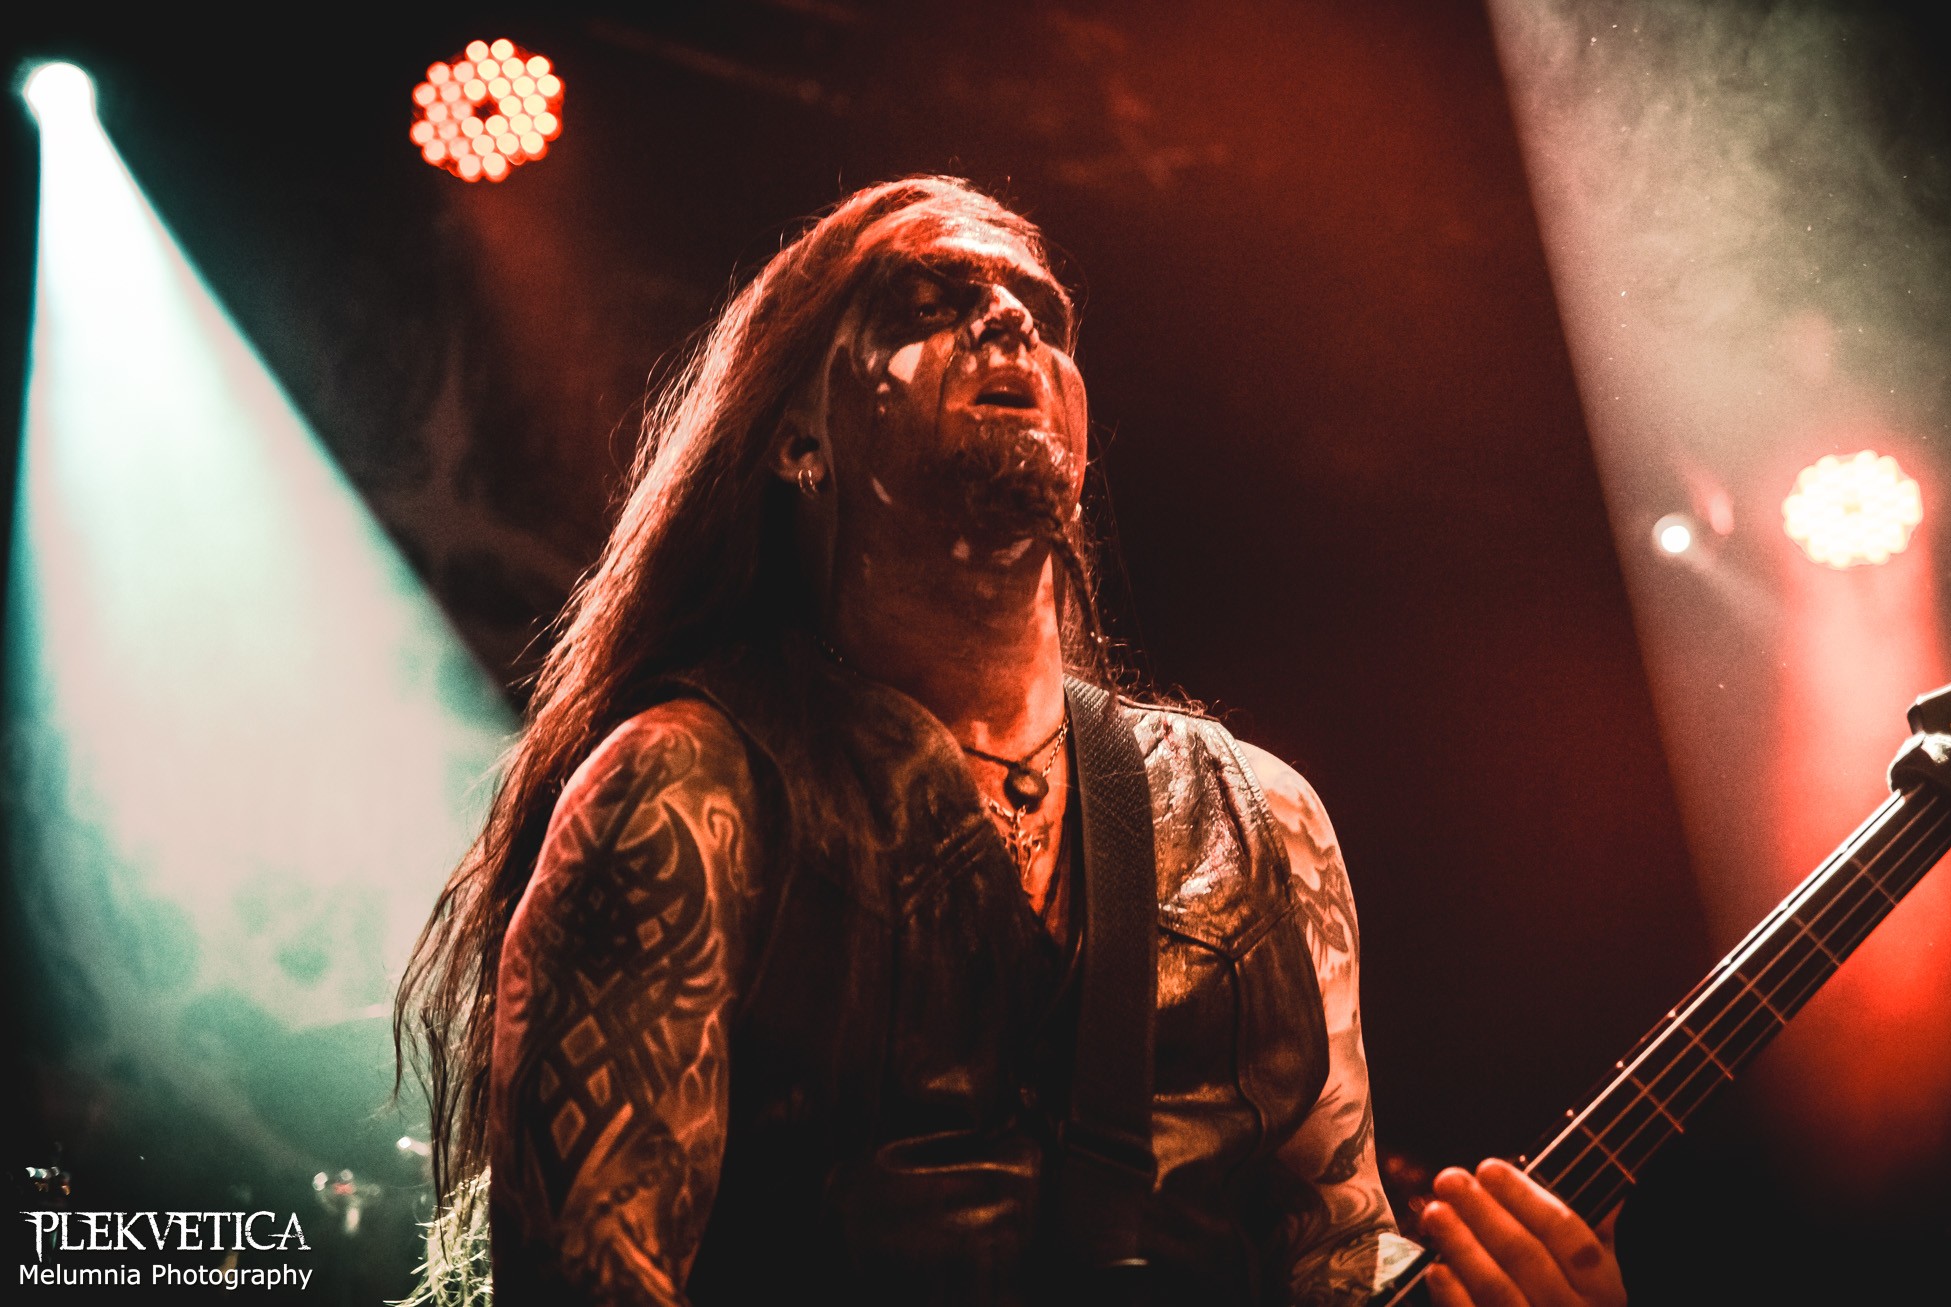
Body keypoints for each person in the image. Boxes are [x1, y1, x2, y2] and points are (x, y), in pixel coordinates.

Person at [397, 177, 1626, 1307]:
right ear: (797, 439)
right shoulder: (687, 791)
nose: (1008, 323)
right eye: (929, 303)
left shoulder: (1259, 818)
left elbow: (1335, 1248)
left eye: (1040, 312)